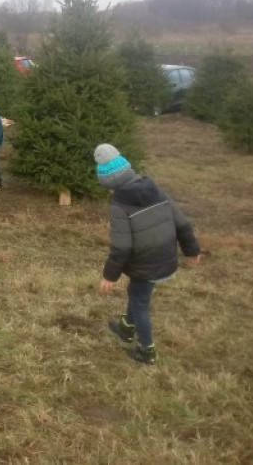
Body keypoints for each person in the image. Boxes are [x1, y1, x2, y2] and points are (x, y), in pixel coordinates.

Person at [95, 143, 203, 365]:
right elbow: (181, 222)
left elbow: (121, 247)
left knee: (139, 302)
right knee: (137, 293)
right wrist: (192, 250)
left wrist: (109, 276)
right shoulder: (156, 189)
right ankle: (126, 329)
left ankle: (147, 352)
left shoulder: (119, 205)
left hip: (146, 265)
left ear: (108, 183)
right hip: (165, 259)